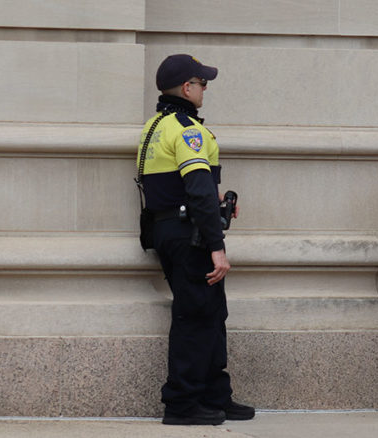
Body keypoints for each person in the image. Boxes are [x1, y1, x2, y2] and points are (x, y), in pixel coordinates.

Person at [137, 54, 254, 425]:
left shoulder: (154, 126)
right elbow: (200, 191)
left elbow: (171, 185)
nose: (205, 90)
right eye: (202, 84)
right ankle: (182, 404)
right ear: (187, 88)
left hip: (168, 229)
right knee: (195, 317)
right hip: (191, 237)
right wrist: (217, 247)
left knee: (210, 313)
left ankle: (215, 395)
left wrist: (216, 201)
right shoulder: (188, 130)